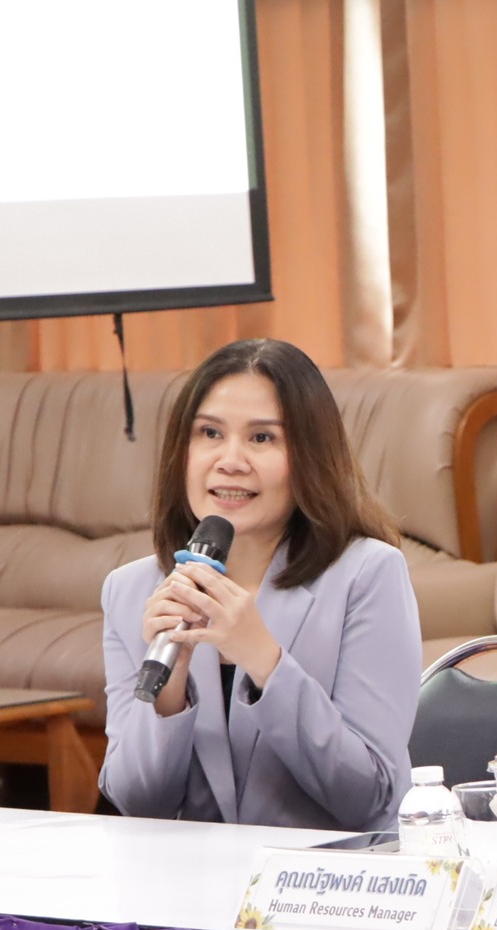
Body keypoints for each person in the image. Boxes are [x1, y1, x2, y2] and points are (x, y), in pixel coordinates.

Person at [100, 338, 422, 829]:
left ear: (309, 456)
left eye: (262, 438)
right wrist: (171, 687)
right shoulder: (130, 591)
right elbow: (137, 805)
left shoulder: (367, 574)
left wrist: (263, 659)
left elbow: (370, 797)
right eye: (210, 433)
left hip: (325, 873)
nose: (230, 460)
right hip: (194, 875)